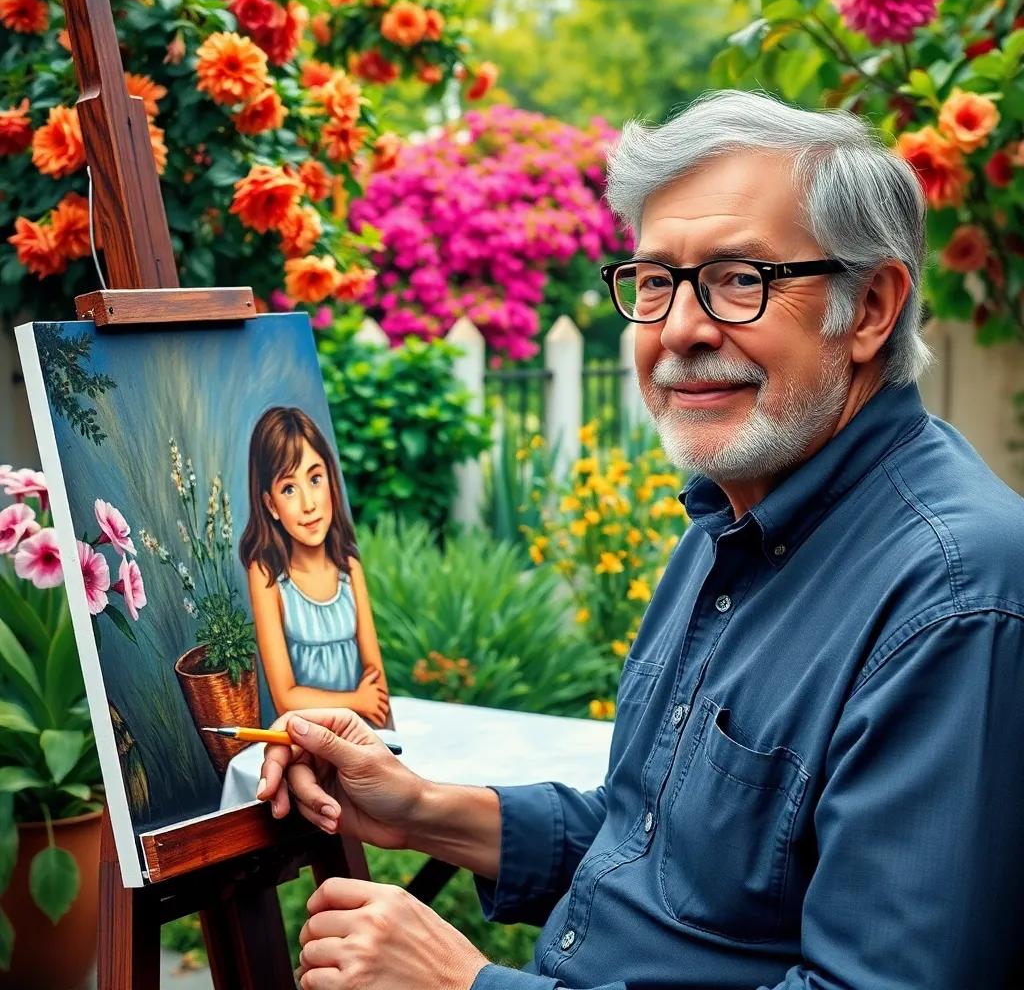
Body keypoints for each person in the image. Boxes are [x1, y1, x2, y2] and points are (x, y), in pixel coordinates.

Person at [258, 90, 1024, 989]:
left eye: (742, 279)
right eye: (655, 281)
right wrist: (422, 809)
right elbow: (656, 842)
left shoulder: (954, 594)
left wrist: (467, 986)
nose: (681, 330)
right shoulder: (732, 520)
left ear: (870, 309)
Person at [239, 406, 390, 726]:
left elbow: (377, 685)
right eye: (289, 489)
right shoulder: (266, 573)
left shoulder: (348, 568)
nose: (309, 504)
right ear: (271, 505)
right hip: (303, 733)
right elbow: (285, 698)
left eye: (315, 478)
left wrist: (374, 720)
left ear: (332, 480)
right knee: (297, 773)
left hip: (360, 734)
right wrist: (356, 701)